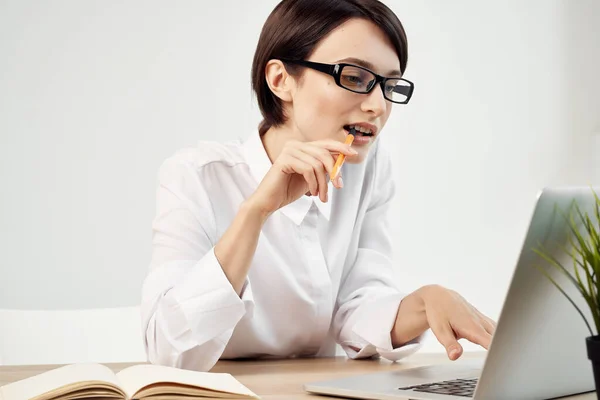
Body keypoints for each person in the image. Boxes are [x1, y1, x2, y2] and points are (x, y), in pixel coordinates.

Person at [140, 0, 496, 372]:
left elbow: (359, 305)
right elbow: (168, 351)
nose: (377, 105)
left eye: (389, 84)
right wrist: (256, 211)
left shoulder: (368, 168)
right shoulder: (196, 175)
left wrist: (424, 304)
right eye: (355, 77)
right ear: (280, 80)